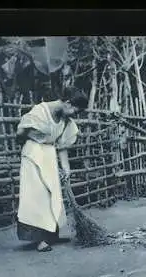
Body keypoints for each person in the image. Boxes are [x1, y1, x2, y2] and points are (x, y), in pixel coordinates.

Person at [15, 87, 88, 252]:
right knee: (37, 197)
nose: (75, 113)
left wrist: (66, 169)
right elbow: (20, 132)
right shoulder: (39, 112)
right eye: (75, 109)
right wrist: (32, 138)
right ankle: (39, 240)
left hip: (48, 156)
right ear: (68, 103)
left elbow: (61, 146)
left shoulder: (65, 120)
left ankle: (50, 235)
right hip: (33, 155)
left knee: (53, 196)